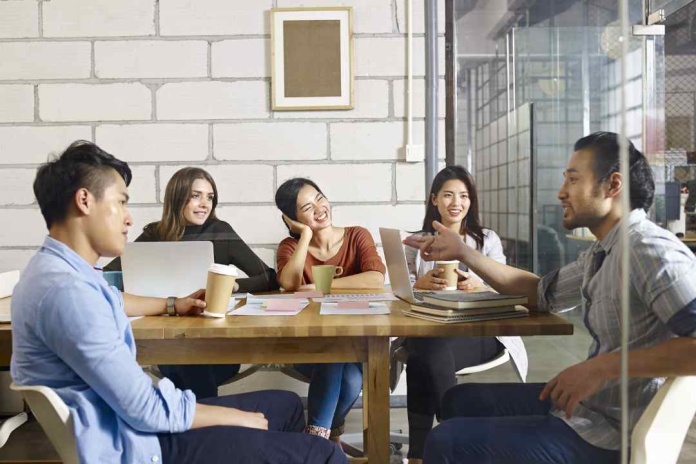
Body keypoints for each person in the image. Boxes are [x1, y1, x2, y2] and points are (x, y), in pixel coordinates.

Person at [10, 141, 346, 464]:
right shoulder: (69, 293)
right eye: (121, 202)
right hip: (139, 443)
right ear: (84, 201)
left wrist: (173, 303)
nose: (128, 218)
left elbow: (114, 298)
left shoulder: (58, 272)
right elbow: (145, 407)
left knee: (286, 405)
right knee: (325, 453)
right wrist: (232, 417)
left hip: (129, 425)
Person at [405, 132, 696, 463]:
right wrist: (462, 252)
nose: (561, 193)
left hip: (611, 432)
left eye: (573, 179)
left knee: (446, 441)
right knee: (458, 401)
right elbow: (540, 292)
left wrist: (602, 368)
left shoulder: (649, 250)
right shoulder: (603, 252)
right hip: (590, 408)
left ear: (613, 185)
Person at [106, 167, 279, 399]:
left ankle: (194, 422)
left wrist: (233, 286)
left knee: (187, 363)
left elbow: (269, 277)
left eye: (209, 197)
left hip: (215, 343)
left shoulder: (220, 232)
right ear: (178, 197)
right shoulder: (155, 235)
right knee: (181, 359)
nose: (204, 204)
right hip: (168, 339)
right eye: (196, 196)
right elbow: (107, 277)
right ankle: (204, 423)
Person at [399, 165, 528, 464]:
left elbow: (507, 286)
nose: (456, 202)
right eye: (447, 195)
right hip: (430, 330)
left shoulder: (486, 240)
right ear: (434, 200)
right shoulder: (416, 241)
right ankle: (441, 446)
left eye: (463, 196)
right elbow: (398, 290)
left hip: (478, 333)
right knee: (425, 351)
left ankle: (434, 447)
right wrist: (416, 283)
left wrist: (480, 283)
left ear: (471, 201)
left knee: (424, 352)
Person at [274, 177, 386, 441]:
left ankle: (315, 441)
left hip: (357, 344)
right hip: (307, 347)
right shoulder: (290, 246)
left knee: (345, 367)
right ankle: (324, 440)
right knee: (337, 357)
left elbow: (375, 278)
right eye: (306, 208)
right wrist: (306, 237)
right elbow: (289, 283)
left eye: (320, 198)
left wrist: (321, 288)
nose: (319, 208)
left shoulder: (357, 235)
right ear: (293, 219)